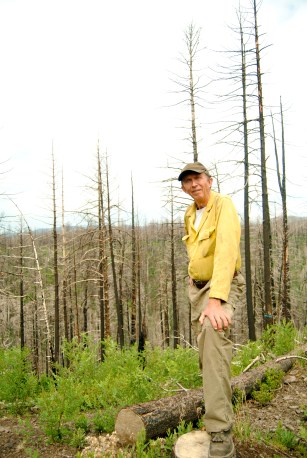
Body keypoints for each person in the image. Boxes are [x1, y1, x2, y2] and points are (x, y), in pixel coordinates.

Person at [178, 162, 244, 458]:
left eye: (198, 179)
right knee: (207, 356)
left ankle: (221, 433)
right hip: (198, 290)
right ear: (183, 187)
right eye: (187, 181)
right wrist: (193, 277)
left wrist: (216, 299)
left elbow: (227, 251)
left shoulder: (223, 206)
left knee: (214, 341)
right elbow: (198, 252)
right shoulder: (190, 214)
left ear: (209, 180)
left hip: (223, 287)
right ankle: (217, 412)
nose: (193, 185)